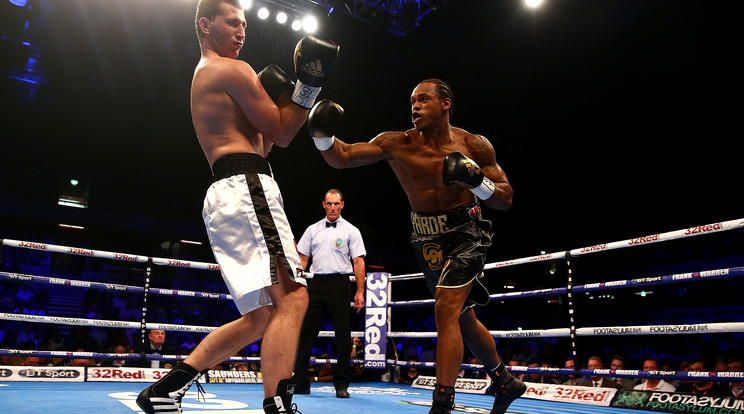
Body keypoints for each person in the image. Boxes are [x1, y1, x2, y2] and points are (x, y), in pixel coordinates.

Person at [135, 1, 338, 414]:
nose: (242, 31)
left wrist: (287, 97)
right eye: (233, 22)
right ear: (206, 25)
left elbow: (264, 144)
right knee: (294, 298)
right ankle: (278, 404)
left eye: (244, 23)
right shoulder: (232, 69)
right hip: (247, 189)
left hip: (235, 188)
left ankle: (165, 389)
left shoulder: (210, 74)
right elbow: (282, 133)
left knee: (264, 315)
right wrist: (308, 86)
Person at [306, 78, 525, 414]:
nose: (415, 106)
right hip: (426, 239)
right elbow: (344, 156)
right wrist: (322, 135)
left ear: (446, 103)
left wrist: (477, 181)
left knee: (446, 309)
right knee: (462, 317)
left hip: (467, 231)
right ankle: (504, 381)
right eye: (412, 101)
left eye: (424, 99)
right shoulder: (398, 143)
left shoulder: (474, 145)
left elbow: (505, 199)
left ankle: (442, 403)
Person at [292, 189, 367, 398]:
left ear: (342, 205)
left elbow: (358, 261)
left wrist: (360, 291)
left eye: (336, 204)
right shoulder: (312, 230)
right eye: (329, 204)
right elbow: (303, 260)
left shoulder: (352, 231)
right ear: (323, 205)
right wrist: (298, 284)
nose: (333, 207)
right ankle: (300, 381)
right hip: (315, 284)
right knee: (306, 334)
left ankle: (341, 384)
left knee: (343, 337)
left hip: (340, 284)